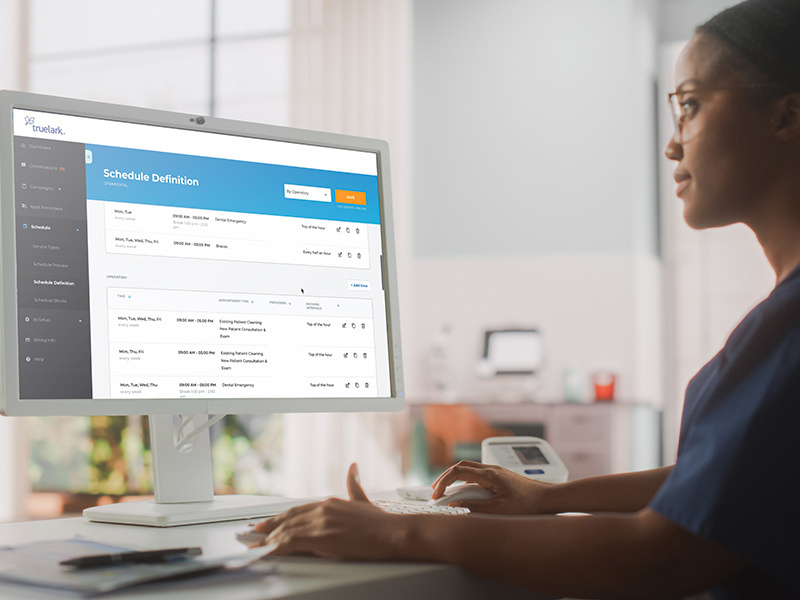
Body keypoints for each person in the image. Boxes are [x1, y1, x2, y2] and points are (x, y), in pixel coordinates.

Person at [252, 0, 800, 597]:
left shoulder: (788, 328)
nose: (673, 146)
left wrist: (396, 533)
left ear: (786, 115)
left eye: (690, 106)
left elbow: (659, 555)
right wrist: (551, 498)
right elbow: (725, 486)